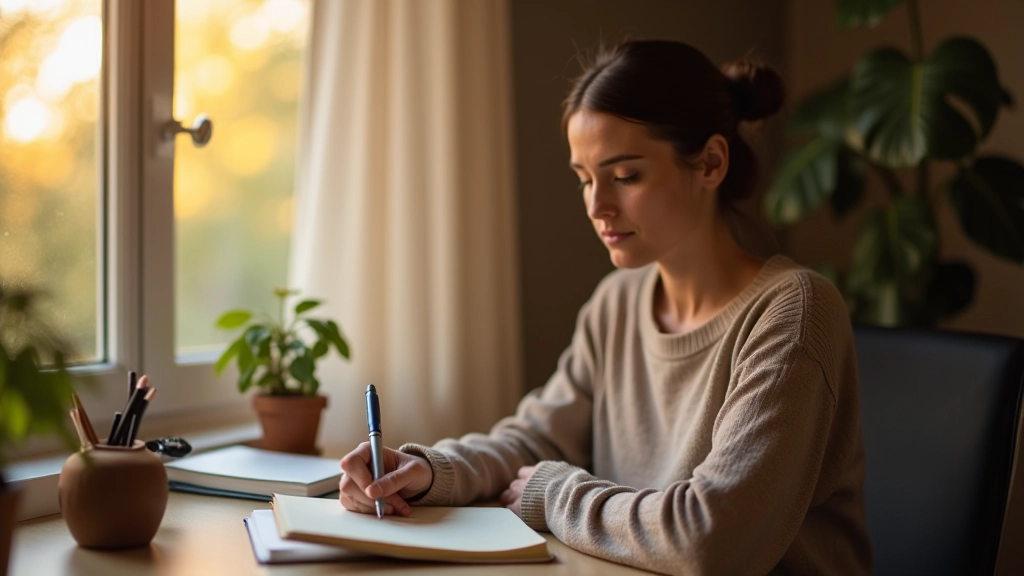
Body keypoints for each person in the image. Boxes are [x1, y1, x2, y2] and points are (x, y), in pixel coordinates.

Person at [338, 39, 873, 575]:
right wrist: (428, 471)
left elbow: (712, 538)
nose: (597, 206)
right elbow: (539, 438)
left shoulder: (793, 313)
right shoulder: (617, 301)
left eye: (625, 176)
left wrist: (555, 494)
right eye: (585, 179)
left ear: (710, 163)